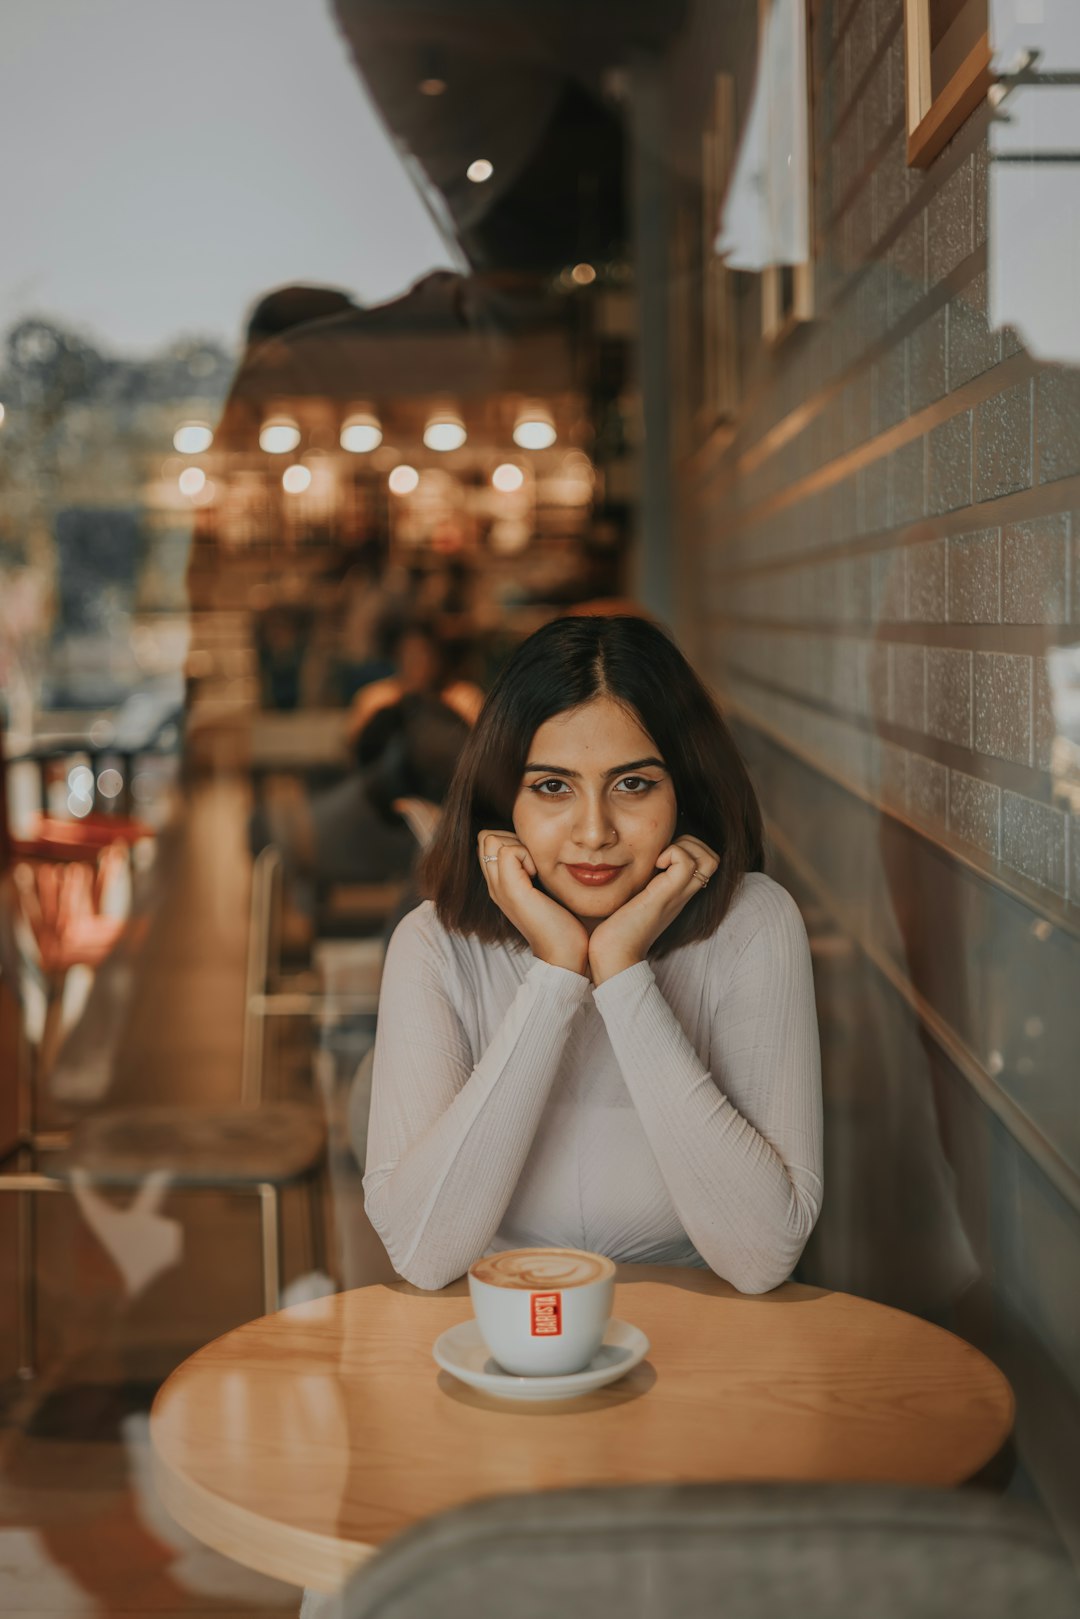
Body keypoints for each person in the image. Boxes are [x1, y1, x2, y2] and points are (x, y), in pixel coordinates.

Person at [362, 615, 823, 1293]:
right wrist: (555, 975)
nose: (594, 831)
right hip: (498, 1357)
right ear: (502, 800)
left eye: (633, 784)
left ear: (685, 788)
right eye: (552, 786)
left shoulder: (753, 924)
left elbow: (762, 1257)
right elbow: (425, 1254)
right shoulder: (434, 944)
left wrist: (623, 971)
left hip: (706, 1358)